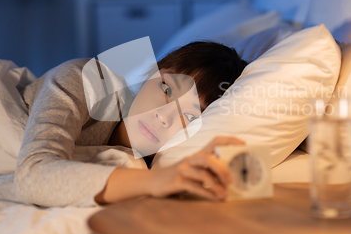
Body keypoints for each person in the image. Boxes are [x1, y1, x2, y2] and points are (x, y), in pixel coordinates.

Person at [14, 42, 248, 207]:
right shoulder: (87, 81)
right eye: (166, 89)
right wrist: (156, 181)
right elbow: (32, 175)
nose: (164, 116)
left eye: (190, 117)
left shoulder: (146, 163)